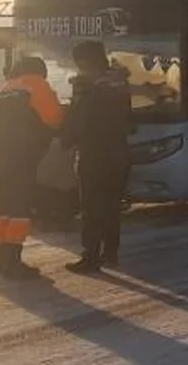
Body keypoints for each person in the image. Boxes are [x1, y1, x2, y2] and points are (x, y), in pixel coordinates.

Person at [0, 56, 64, 279]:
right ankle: (14, 262)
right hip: (22, 158)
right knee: (19, 211)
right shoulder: (35, 84)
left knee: (2, 209)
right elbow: (54, 117)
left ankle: (3, 260)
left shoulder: (4, 88)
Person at [63, 40, 133, 274]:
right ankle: (110, 254)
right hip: (119, 153)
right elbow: (127, 120)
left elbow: (80, 121)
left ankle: (90, 257)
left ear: (85, 61)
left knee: (92, 207)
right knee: (112, 206)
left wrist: (66, 137)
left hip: (95, 154)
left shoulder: (88, 87)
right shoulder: (118, 82)